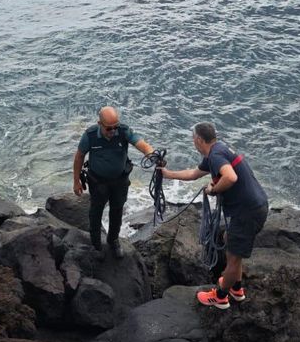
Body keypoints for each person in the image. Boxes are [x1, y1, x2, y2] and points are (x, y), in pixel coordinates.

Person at [160, 122, 267, 309]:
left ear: (199, 140)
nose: (193, 142)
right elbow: (194, 174)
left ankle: (220, 296)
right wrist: (168, 174)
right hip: (254, 206)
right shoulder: (217, 151)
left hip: (247, 212)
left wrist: (214, 190)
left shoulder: (215, 156)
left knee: (233, 258)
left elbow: (230, 177)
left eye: (193, 139)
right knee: (228, 241)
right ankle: (236, 287)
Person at [72, 107, 155, 258]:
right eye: (109, 128)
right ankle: (96, 245)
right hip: (98, 182)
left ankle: (113, 240)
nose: (113, 131)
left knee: (117, 211)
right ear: (100, 124)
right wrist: (76, 181)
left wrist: (151, 155)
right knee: (95, 213)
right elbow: (79, 157)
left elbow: (141, 144)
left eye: (115, 127)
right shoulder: (90, 135)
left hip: (119, 181)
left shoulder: (123, 131)